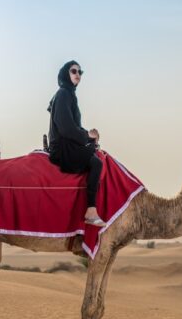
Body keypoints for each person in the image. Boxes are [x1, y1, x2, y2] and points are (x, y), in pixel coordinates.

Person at [47, 60, 106, 227]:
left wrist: (88, 136)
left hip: (67, 144)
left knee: (93, 152)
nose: (78, 75)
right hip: (62, 148)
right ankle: (91, 211)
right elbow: (66, 128)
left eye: (80, 72)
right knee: (96, 163)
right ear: (66, 73)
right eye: (74, 71)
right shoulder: (64, 94)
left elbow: (73, 128)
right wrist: (87, 135)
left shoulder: (68, 94)